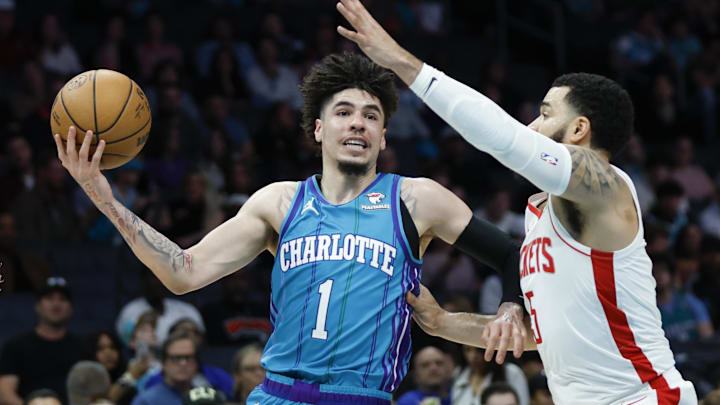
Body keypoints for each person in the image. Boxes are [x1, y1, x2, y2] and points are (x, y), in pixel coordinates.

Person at [53, 50, 527, 404]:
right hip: (280, 394)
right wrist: (103, 196)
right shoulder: (279, 202)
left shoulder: (415, 198)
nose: (357, 124)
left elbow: (509, 253)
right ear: (319, 128)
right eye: (343, 113)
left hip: (363, 396)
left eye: (371, 116)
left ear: (383, 136)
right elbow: (182, 271)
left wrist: (510, 306)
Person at [334, 0, 699, 403]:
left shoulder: (606, 187)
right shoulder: (541, 213)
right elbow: (542, 335)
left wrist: (401, 63)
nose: (532, 125)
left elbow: (506, 139)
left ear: (579, 129)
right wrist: (442, 323)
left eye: (545, 114)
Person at [0, 276, 85, 404]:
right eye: (49, 298)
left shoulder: (82, 347)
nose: (56, 304)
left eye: (62, 299)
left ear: (70, 309)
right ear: (38, 306)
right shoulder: (15, 346)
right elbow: (5, 394)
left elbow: (92, 392)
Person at [130, 331, 218, 405]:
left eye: (188, 357)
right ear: (164, 363)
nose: (183, 363)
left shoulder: (207, 398)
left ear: (196, 363)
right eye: (176, 358)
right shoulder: (146, 401)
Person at [452, 345, 529, 405]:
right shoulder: (459, 373)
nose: (473, 356)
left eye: (479, 350)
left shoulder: (512, 372)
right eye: (468, 350)